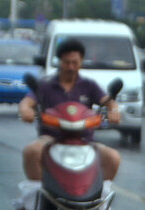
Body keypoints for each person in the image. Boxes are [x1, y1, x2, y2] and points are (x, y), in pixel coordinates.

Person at [18, 38, 121, 182]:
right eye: (67, 62)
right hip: (51, 139)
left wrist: (114, 111)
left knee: (113, 157)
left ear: (81, 62)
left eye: (75, 62)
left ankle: (98, 195)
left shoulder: (89, 85)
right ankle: (38, 191)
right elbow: (26, 102)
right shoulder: (45, 85)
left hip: (85, 140)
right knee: (31, 152)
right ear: (59, 62)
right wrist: (26, 111)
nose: (71, 67)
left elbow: (109, 103)